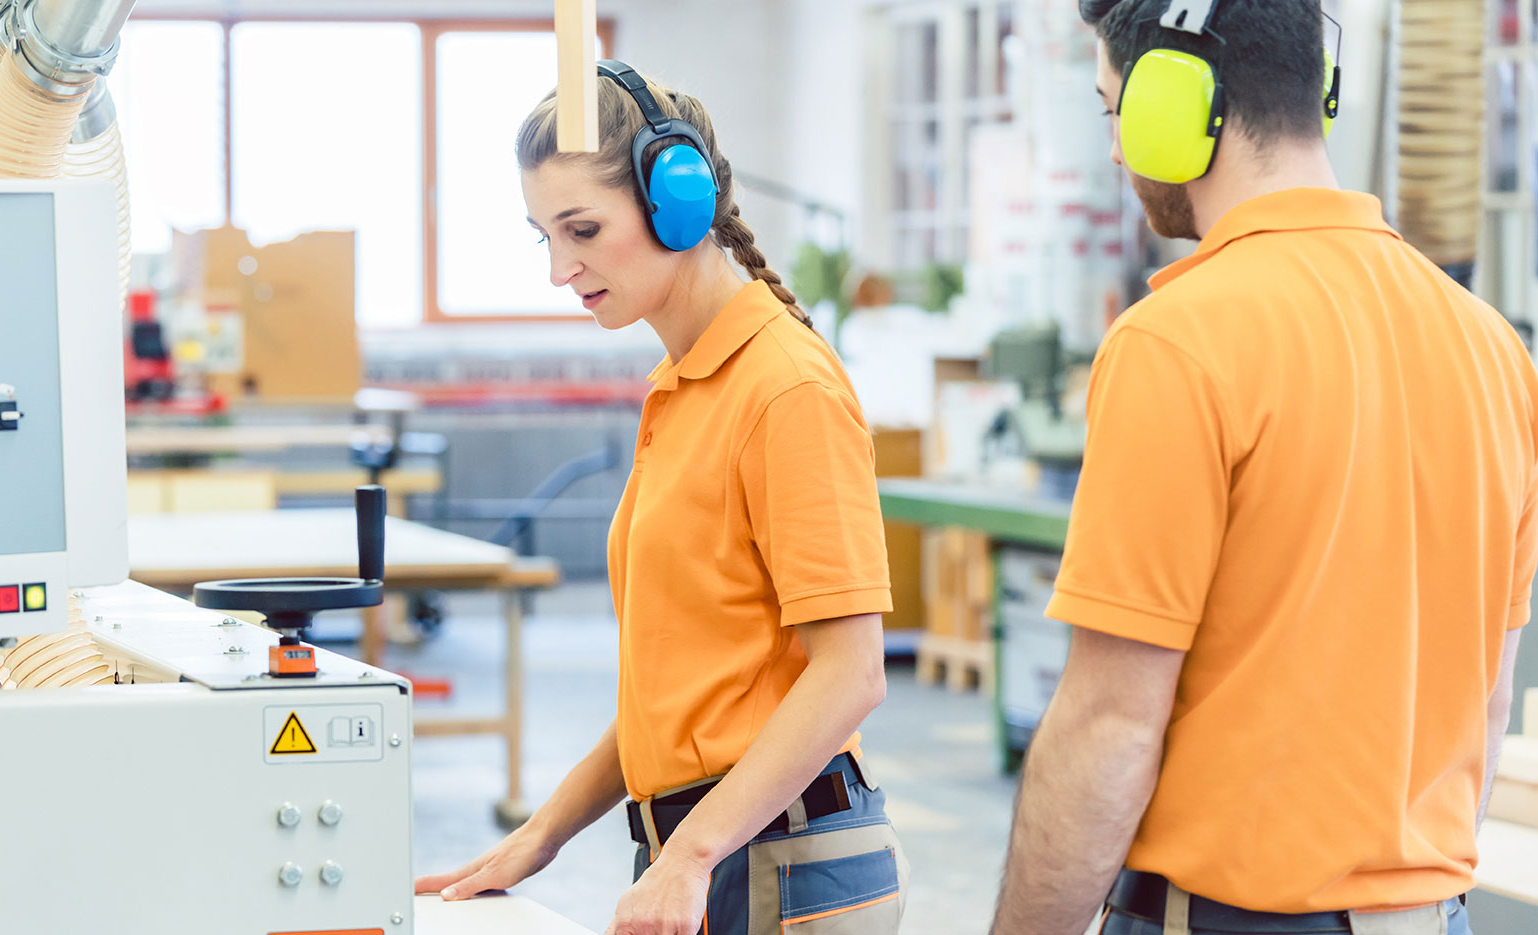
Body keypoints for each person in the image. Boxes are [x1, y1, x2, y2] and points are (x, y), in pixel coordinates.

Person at [989, 2, 1532, 934]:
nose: (1116, 153)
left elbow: (1108, 725)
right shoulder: (1494, 351)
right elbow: (1485, 697)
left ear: (1173, 100)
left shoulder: (1178, 341)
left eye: (1111, 109)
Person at [415, 60, 907, 935]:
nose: (561, 268)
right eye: (544, 236)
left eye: (583, 228)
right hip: (715, 853)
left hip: (779, 865)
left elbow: (850, 672)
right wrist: (540, 835)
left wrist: (689, 854)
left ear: (676, 199)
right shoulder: (684, 386)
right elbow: (676, 699)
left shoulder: (783, 388)